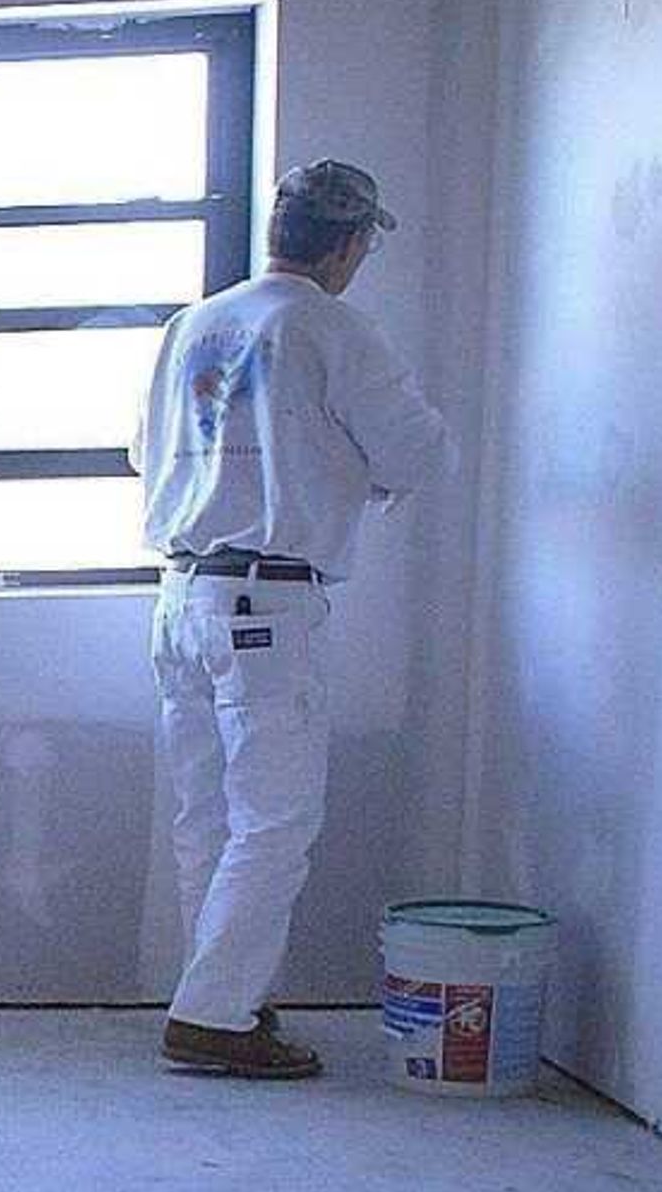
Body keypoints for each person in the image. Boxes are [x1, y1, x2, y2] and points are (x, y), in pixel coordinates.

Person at [130, 158, 455, 1079]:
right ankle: (213, 1016)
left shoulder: (194, 326)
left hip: (183, 597)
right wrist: (340, 471)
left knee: (207, 820)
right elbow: (419, 454)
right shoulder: (330, 327)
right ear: (350, 245)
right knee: (274, 820)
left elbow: (142, 451)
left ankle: (225, 997)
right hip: (267, 604)